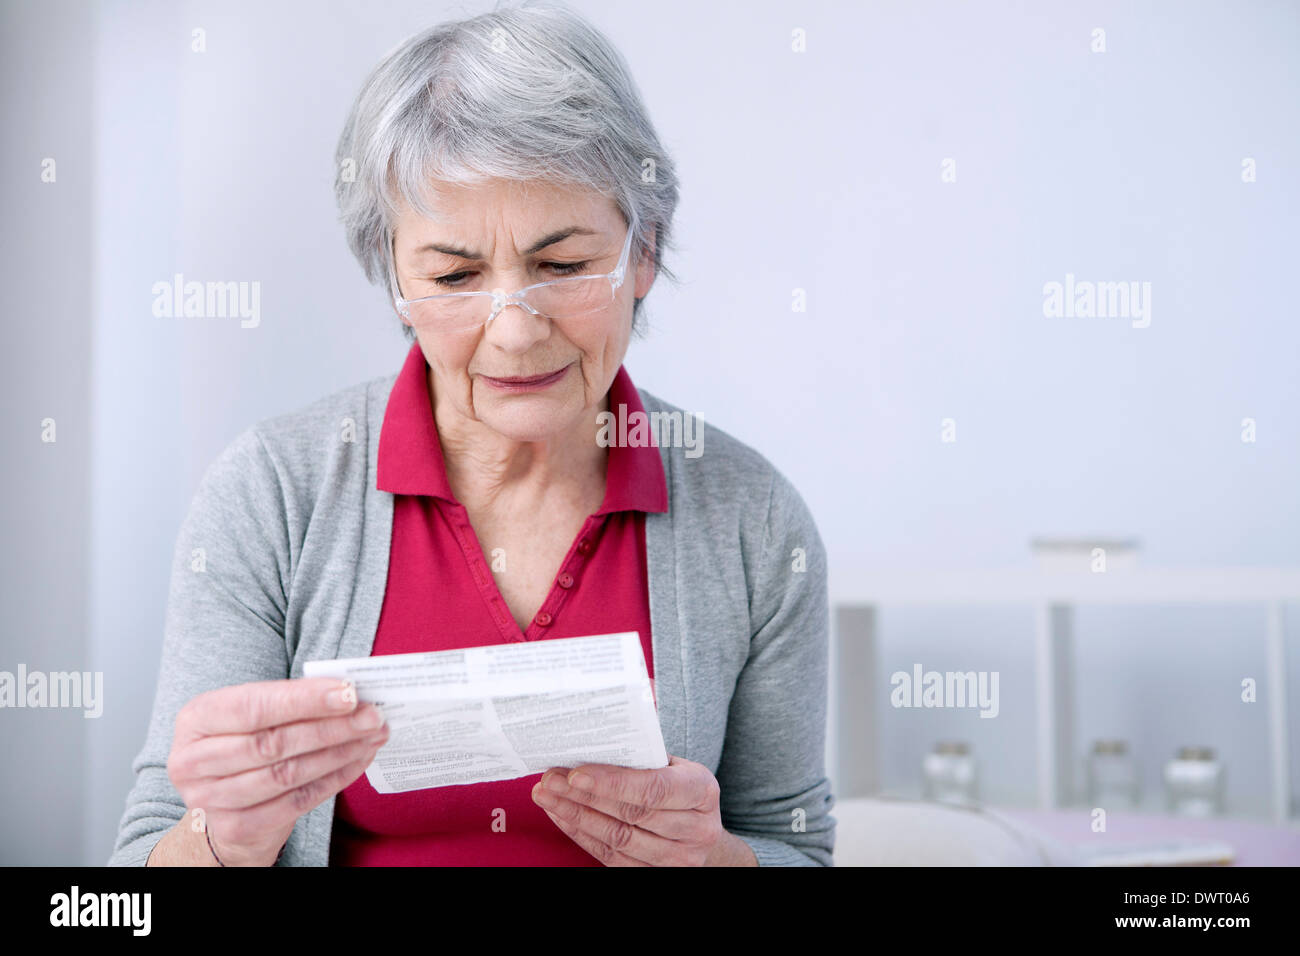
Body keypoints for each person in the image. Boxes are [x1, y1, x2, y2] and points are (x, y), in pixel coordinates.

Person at [109, 0, 834, 867]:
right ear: (394, 281)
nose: (516, 330)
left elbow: (798, 844)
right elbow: (133, 884)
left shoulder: (751, 517)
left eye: (562, 266)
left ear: (644, 256)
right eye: (455, 275)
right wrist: (229, 836)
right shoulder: (274, 492)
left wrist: (718, 860)